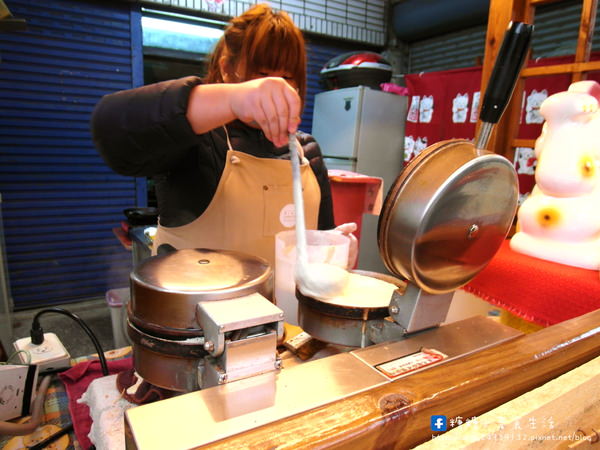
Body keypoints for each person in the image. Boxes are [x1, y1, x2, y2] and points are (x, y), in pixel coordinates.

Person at [91, 3, 357, 269]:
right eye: (262, 74)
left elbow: (319, 240)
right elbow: (111, 130)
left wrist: (335, 247)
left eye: (288, 76)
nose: (275, 88)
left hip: (285, 309)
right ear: (228, 69)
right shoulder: (197, 139)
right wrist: (232, 98)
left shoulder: (306, 152)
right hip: (197, 309)